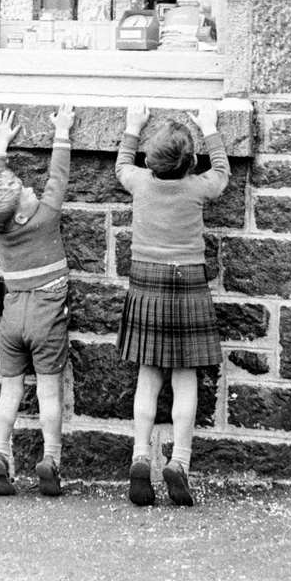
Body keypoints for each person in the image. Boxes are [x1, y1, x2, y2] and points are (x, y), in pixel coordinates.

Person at [115, 99, 229, 507]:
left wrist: (133, 126)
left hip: (146, 282)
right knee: (185, 379)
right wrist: (211, 127)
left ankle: (140, 455)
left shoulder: (140, 182)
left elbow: (120, 167)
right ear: (191, 161)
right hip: (188, 283)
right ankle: (179, 461)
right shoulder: (198, 186)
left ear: (151, 160)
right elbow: (222, 175)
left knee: (148, 376)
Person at [0, 102, 75, 497]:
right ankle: (50, 459)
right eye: (25, 194)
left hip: (12, 316)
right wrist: (62, 132)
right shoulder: (46, 216)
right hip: (47, 317)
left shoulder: (0, 228)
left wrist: (0, 144)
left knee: (10, 391)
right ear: (19, 215)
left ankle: (0, 452)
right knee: (49, 392)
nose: (32, 190)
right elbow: (58, 178)